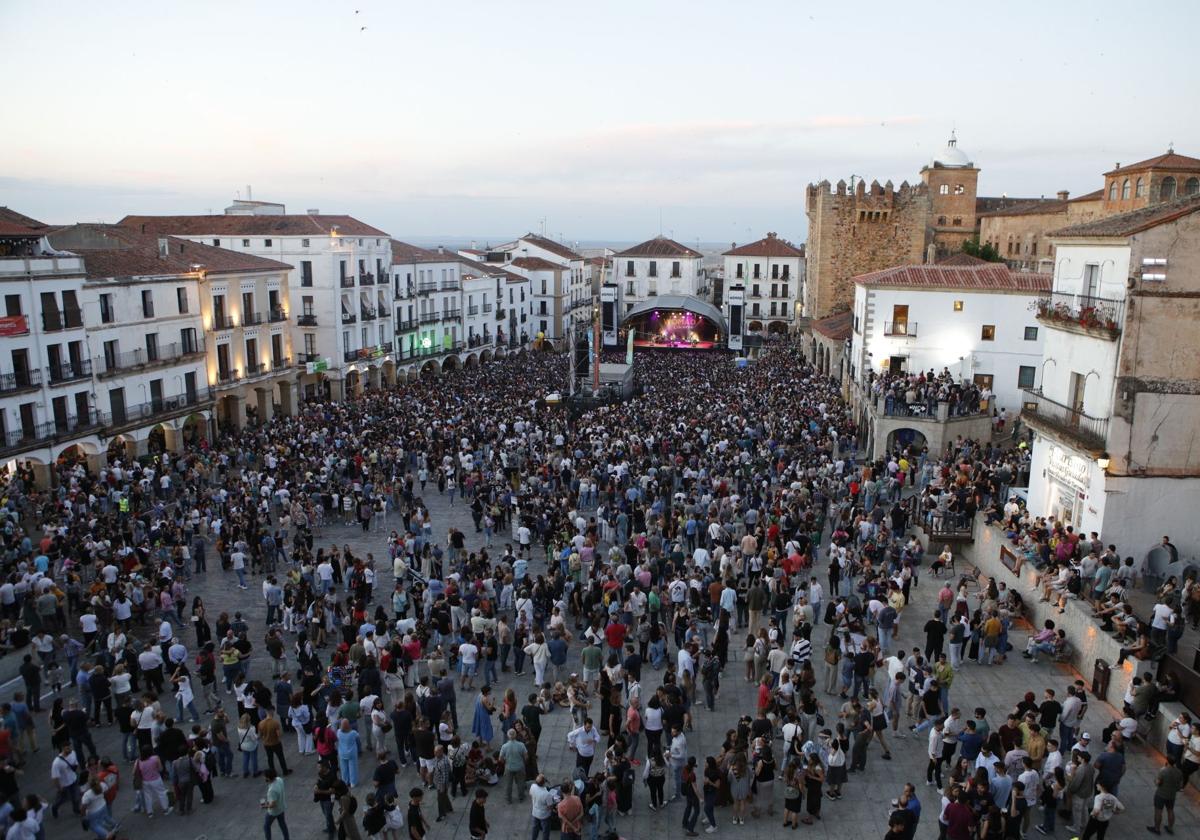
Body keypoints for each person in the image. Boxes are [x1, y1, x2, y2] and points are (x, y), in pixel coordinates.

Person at [1148, 756, 1184, 835]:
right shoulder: (1179, 772)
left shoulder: (1163, 771)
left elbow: (1158, 782)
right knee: (1170, 810)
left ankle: (1157, 828)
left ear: (1167, 761)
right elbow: (1181, 786)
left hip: (1161, 794)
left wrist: (1155, 781)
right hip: (1171, 795)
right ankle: (1170, 828)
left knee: (1158, 811)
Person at [262, 768, 290, 840]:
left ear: (268, 778)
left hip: (274, 812)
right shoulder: (279, 779)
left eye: (264, 776)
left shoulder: (272, 790)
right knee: (282, 824)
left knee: (266, 826)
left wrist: (265, 806)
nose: (263, 777)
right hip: (281, 807)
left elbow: (273, 805)